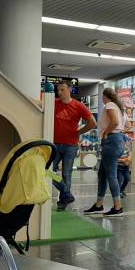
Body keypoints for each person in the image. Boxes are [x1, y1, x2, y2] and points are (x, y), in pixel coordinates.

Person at [53, 80, 97, 211]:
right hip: (54, 144)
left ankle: (63, 201)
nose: (59, 92)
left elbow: (92, 123)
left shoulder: (79, 106)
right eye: (58, 90)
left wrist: (79, 132)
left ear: (70, 90)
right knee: (47, 172)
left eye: (62, 90)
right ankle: (67, 194)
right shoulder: (54, 103)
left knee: (67, 174)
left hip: (70, 146)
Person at [84, 88, 126, 216]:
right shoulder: (120, 108)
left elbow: (115, 122)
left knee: (111, 176)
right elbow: (123, 124)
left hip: (111, 141)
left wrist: (105, 134)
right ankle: (99, 204)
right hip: (117, 140)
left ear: (104, 96)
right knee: (102, 174)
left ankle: (117, 206)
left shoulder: (110, 105)